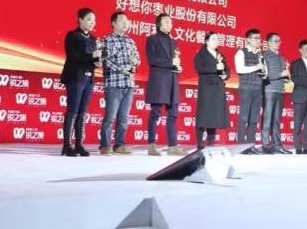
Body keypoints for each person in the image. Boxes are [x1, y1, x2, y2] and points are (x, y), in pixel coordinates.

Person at [60, 8, 102, 157]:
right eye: (89, 19)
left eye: (94, 20)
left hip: (89, 78)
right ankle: (67, 146)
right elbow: (73, 56)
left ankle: (79, 145)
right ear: (80, 20)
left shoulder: (94, 39)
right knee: (73, 111)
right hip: (75, 77)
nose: (92, 23)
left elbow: (94, 61)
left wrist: (97, 62)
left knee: (83, 112)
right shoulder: (72, 36)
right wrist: (92, 56)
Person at [99, 11, 140, 155]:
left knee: (123, 117)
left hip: (129, 83)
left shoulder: (130, 41)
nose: (125, 23)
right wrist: (121, 69)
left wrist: (134, 64)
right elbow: (105, 60)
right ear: (114, 23)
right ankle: (105, 145)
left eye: (127, 21)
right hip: (114, 83)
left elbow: (137, 58)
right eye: (122, 21)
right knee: (110, 116)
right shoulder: (107, 40)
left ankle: (119, 145)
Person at [145, 14, 186, 156]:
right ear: (159, 24)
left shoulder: (173, 41)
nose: (170, 24)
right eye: (167, 22)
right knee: (155, 113)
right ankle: (151, 145)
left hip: (172, 80)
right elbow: (152, 60)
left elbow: (174, 60)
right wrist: (171, 63)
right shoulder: (153, 39)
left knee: (173, 114)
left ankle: (172, 146)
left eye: (171, 22)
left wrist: (177, 67)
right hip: (159, 80)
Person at [193, 32, 231, 150]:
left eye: (217, 39)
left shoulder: (220, 55)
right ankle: (200, 142)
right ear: (207, 41)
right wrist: (215, 68)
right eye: (213, 39)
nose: (216, 41)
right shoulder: (201, 54)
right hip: (206, 88)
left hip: (218, 87)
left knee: (214, 116)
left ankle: (211, 142)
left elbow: (227, 70)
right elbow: (199, 68)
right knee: (203, 115)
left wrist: (225, 75)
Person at [234, 29, 266, 154]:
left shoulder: (260, 54)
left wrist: (264, 72)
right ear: (248, 39)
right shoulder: (241, 52)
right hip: (246, 88)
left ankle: (250, 145)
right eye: (255, 38)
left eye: (259, 38)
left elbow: (263, 72)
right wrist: (257, 67)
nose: (258, 41)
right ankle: (241, 146)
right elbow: (240, 69)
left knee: (253, 119)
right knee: (244, 117)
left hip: (258, 88)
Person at [261, 32, 292, 154]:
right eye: (275, 41)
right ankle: (265, 145)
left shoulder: (282, 58)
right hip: (269, 90)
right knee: (268, 118)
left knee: (277, 120)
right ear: (268, 42)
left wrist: (287, 77)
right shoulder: (264, 55)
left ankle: (277, 145)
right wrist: (281, 74)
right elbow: (265, 75)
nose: (278, 43)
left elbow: (285, 76)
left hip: (280, 90)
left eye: (279, 41)